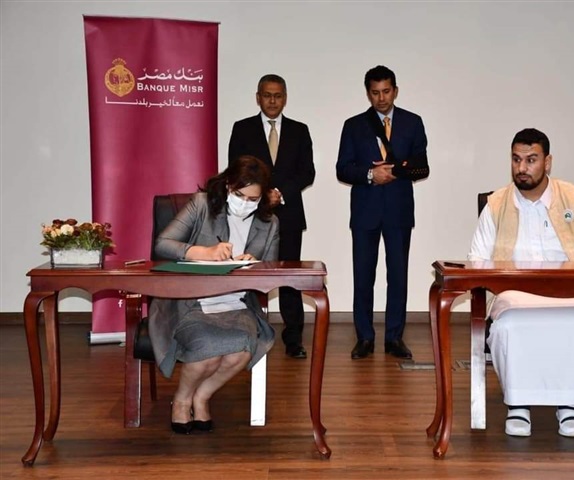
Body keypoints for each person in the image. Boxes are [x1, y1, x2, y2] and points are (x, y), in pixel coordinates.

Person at [468, 128, 574, 438]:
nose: (521, 168)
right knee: (509, 325)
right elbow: (476, 260)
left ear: (547, 162)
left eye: (531, 160)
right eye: (516, 159)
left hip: (572, 291)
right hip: (514, 292)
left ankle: (570, 404)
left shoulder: (573, 197)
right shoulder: (496, 204)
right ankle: (518, 404)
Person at [148, 155, 279, 434]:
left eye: (253, 199)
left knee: (241, 351)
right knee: (208, 350)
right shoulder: (202, 205)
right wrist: (202, 252)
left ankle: (201, 396)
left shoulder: (270, 223)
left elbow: (271, 271)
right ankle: (182, 400)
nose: (245, 203)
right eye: (239, 195)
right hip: (190, 301)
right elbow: (163, 244)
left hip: (237, 303)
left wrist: (254, 263)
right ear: (228, 185)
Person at [336, 65, 430, 360]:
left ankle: (394, 338)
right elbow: (342, 169)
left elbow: (422, 166)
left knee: (398, 276)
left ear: (395, 91)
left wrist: (395, 171)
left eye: (386, 91)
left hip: (399, 210)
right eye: (375, 92)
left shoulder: (413, 122)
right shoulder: (353, 125)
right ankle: (364, 337)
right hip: (365, 210)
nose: (381, 98)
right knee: (363, 275)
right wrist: (369, 174)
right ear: (368, 93)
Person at [228, 74, 315, 359]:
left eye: (278, 95)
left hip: (289, 215)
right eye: (267, 95)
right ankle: (247, 333)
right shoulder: (242, 128)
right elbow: (235, 170)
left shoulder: (300, 130)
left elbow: (307, 172)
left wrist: (280, 192)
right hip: (252, 215)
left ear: (285, 98)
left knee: (289, 278)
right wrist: (263, 194)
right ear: (258, 97)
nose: (273, 101)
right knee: (250, 276)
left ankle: (294, 339)